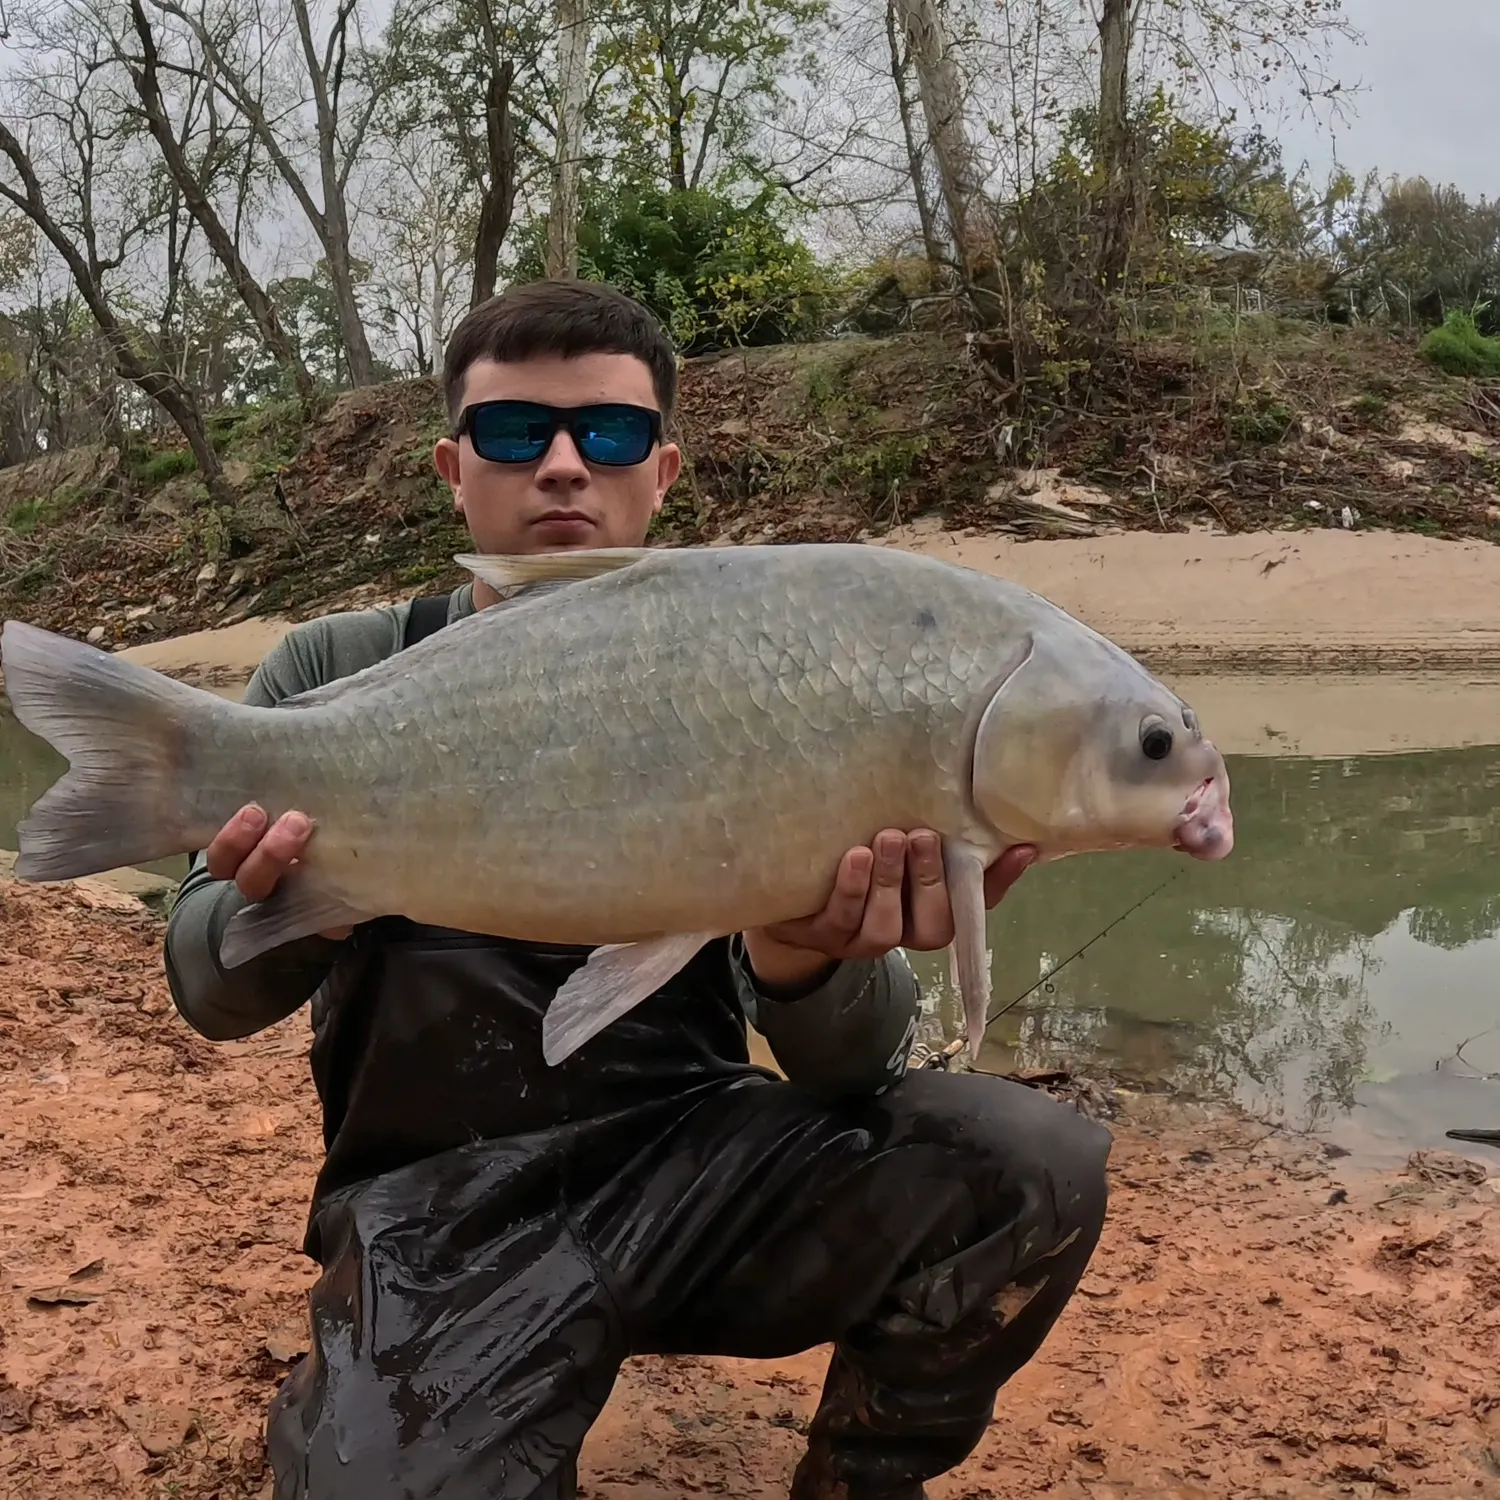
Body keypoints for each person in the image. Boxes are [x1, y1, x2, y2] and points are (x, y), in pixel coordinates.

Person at [164, 278, 1111, 1500]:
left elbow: (852, 1071)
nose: (563, 465)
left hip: (692, 1173)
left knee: (1027, 1163)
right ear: (453, 467)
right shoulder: (335, 667)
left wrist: (801, 950)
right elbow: (204, 986)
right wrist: (318, 883)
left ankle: (861, 1481)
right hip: (435, 1209)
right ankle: (376, 1391)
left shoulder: (775, 668)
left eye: (605, 433)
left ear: (662, 468)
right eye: (516, 434)